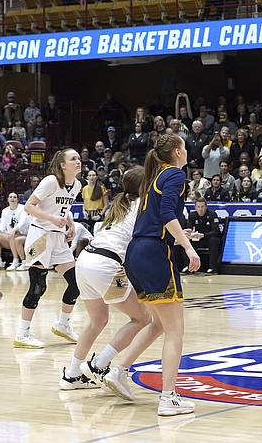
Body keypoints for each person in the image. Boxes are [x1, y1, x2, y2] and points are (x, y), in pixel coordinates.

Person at [123, 133, 200, 416]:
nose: (187, 150)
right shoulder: (176, 176)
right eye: (185, 147)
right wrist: (189, 248)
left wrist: (179, 234)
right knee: (175, 331)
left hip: (137, 252)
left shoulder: (155, 177)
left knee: (157, 324)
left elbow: (160, 217)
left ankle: (119, 369)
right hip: (155, 254)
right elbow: (168, 213)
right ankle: (168, 397)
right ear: (177, 153)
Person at [59, 167, 153, 393]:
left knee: (97, 321)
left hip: (85, 259)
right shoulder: (143, 206)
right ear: (143, 187)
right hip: (105, 264)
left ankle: (72, 374)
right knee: (142, 318)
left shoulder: (118, 206)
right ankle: (99, 364)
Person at [14, 149, 83, 349]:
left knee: (76, 282)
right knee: (38, 286)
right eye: (73, 159)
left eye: (78, 158)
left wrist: (70, 224)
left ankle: (63, 325)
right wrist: (52, 219)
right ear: (63, 165)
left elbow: (64, 209)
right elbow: (29, 206)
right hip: (40, 235)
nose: (78, 161)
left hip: (57, 238)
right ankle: (23, 333)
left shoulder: (76, 185)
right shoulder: (51, 181)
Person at [0, 192, 27, 270]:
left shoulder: (23, 208)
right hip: (10, 235)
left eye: (14, 197)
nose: (12, 199)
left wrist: (15, 229)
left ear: (17, 199)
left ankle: (16, 261)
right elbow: (2, 225)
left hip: (22, 234)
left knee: (12, 235)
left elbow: (22, 222)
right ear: (8, 199)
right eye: (10, 197)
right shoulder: (5, 211)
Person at [186, 197, 221, 274]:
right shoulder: (192, 215)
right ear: (195, 207)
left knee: (213, 240)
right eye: (198, 207)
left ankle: (212, 268)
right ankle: (188, 267)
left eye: (202, 207)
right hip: (198, 238)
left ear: (206, 206)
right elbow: (188, 229)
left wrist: (203, 235)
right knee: (186, 241)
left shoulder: (212, 214)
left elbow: (216, 231)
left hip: (209, 238)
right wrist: (192, 235)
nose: (200, 209)